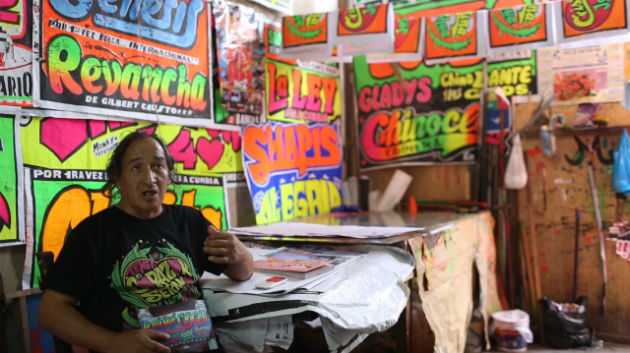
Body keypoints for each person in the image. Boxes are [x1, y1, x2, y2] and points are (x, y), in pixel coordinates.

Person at [38, 131, 253, 353]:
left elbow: (242, 272)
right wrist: (113, 343)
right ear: (117, 179)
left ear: (169, 174)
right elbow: (50, 312)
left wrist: (241, 254)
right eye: (136, 167)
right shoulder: (92, 234)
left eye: (158, 166)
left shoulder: (190, 222)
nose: (149, 179)